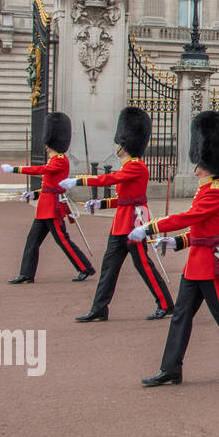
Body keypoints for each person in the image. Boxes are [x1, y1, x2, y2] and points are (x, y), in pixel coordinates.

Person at [134, 111, 219, 386]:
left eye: (199, 165)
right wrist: (177, 242)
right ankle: (170, 368)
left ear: (209, 164)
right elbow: (199, 231)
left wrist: (150, 227)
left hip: (212, 264)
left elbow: (189, 219)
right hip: (196, 264)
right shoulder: (206, 190)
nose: (195, 169)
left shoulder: (216, 192)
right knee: (180, 316)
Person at [62, 107, 173, 322]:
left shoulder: (137, 167)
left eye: (120, 144)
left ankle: (166, 304)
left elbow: (108, 180)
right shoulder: (129, 166)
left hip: (133, 225)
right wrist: (100, 203)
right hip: (121, 224)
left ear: (126, 145)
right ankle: (99, 308)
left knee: (144, 266)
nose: (118, 147)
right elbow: (122, 200)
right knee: (108, 268)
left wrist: (78, 180)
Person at [2, 111, 94, 284]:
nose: (46, 147)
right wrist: (34, 194)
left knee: (62, 240)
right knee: (32, 241)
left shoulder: (60, 160)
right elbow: (48, 185)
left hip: (53, 208)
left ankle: (85, 268)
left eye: (49, 144)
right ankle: (27, 273)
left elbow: (41, 171)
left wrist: (15, 169)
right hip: (45, 206)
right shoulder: (55, 159)